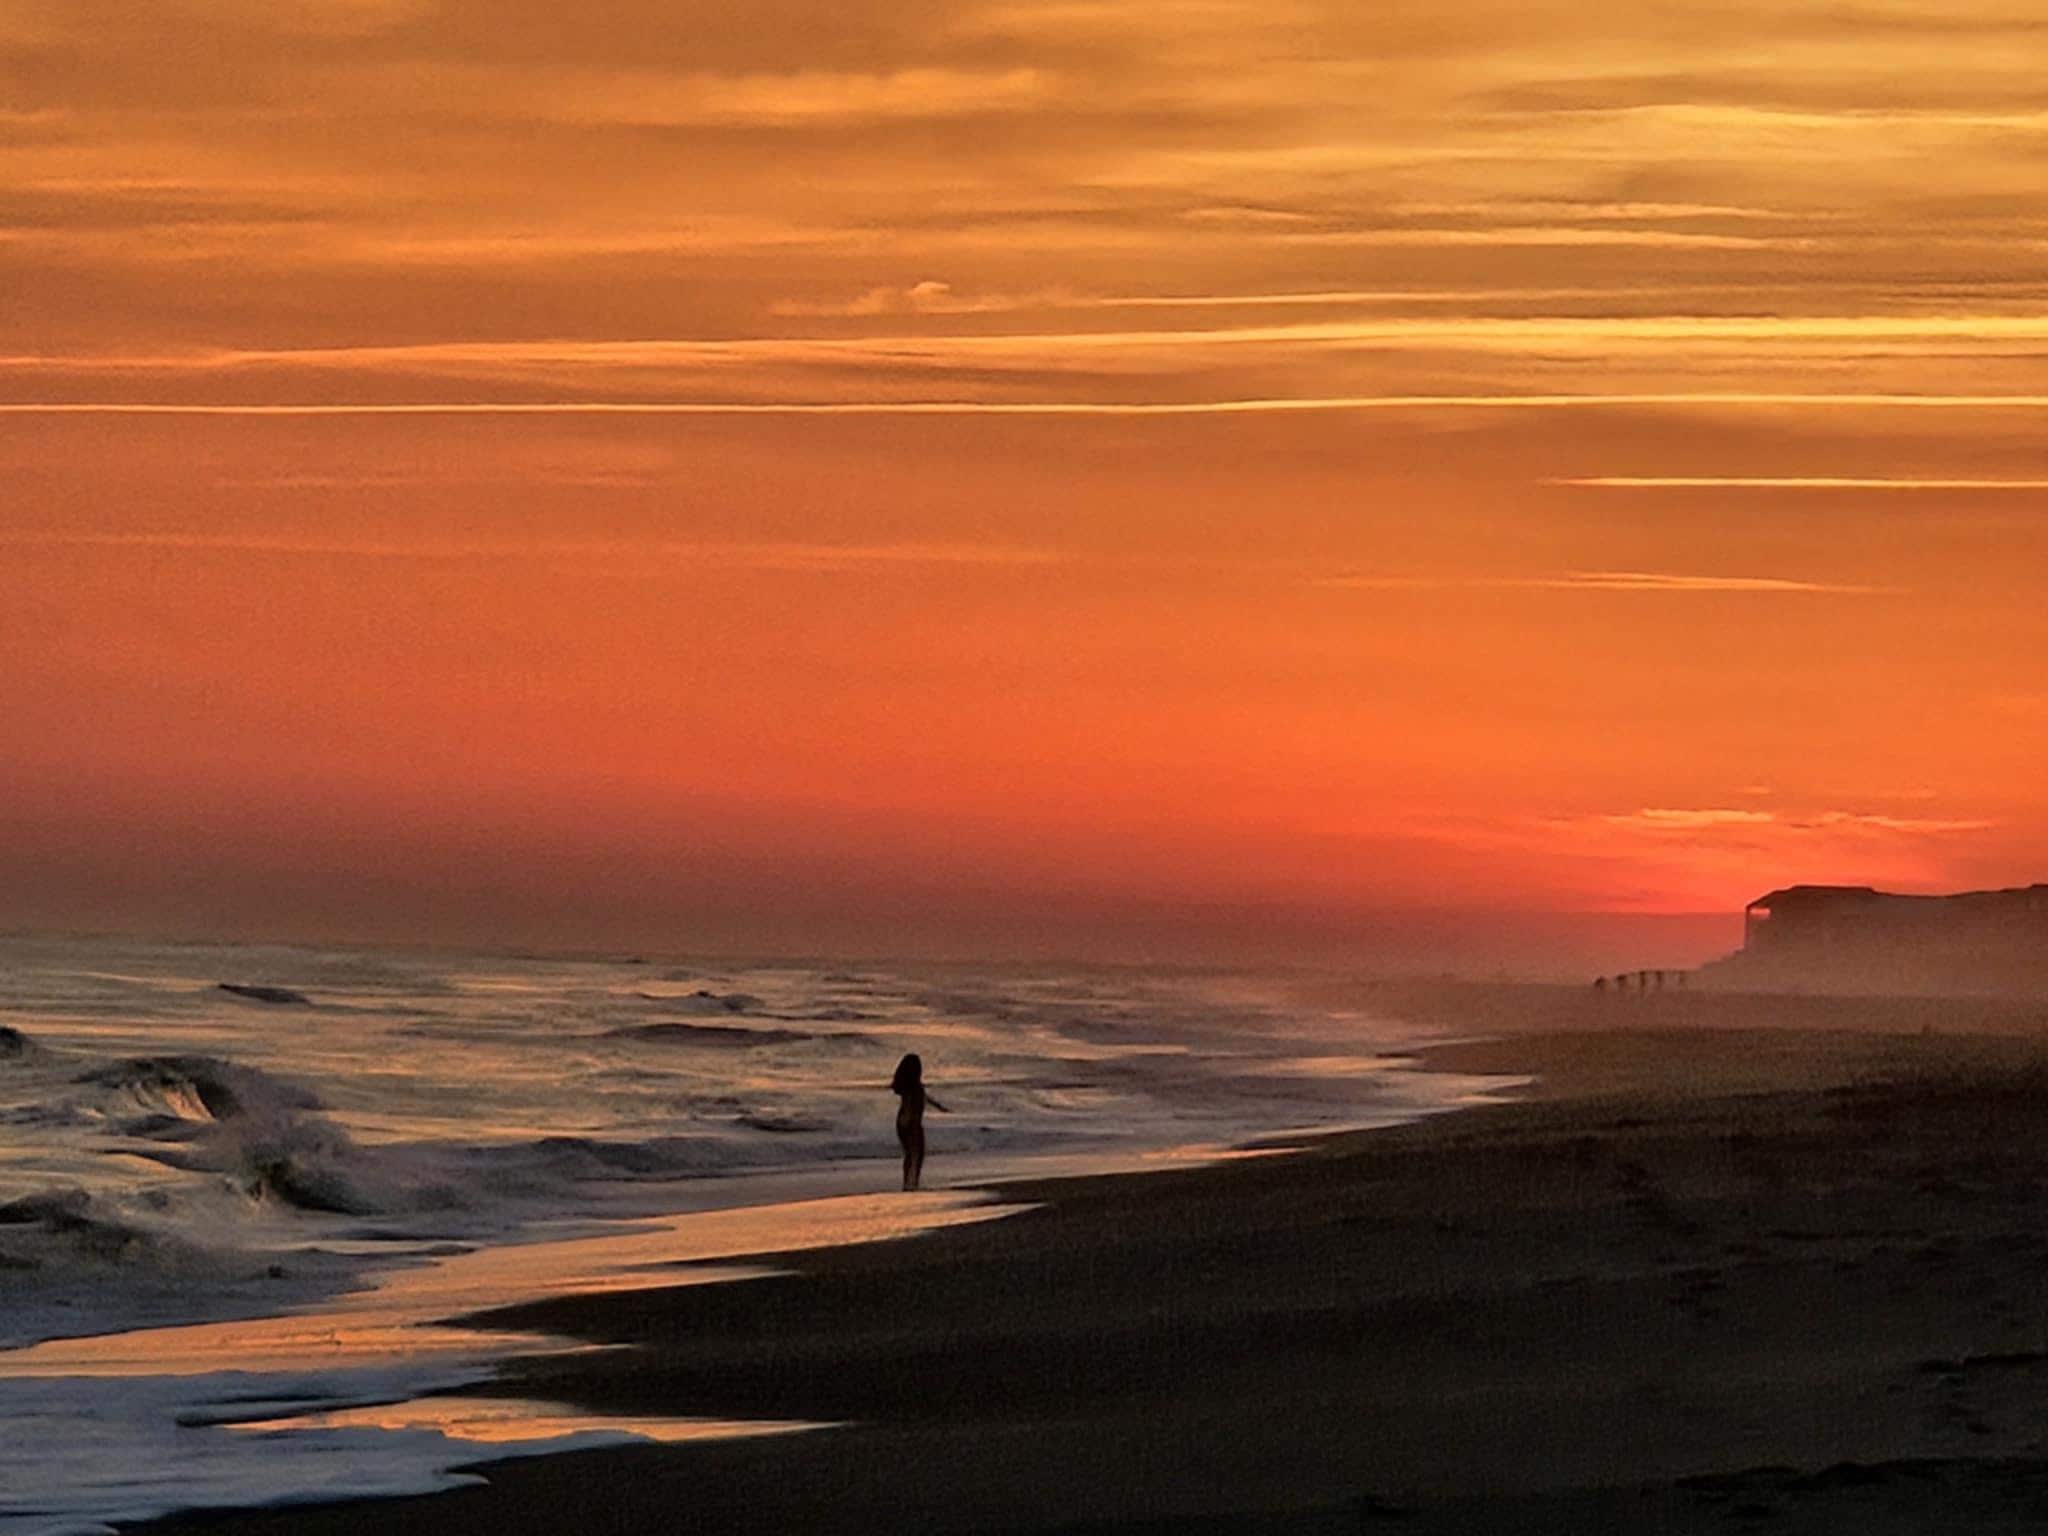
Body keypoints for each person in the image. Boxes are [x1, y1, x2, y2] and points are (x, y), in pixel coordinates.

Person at [890, 1052, 949, 1191]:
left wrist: (939, 1106)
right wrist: (910, 1121)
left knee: (910, 1154)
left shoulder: (911, 1086)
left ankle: (908, 1182)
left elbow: (924, 1098)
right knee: (917, 1153)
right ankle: (913, 1182)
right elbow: (911, 1105)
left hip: (903, 1122)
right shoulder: (913, 1087)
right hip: (911, 1123)